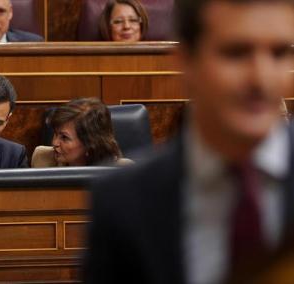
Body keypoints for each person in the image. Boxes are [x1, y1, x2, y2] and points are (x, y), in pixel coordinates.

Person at [84, 0, 294, 283]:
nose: (262, 79)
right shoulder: (123, 203)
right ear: (186, 61)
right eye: (236, 53)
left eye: (280, 53)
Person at [31, 98, 132, 167]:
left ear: (91, 143)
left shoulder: (124, 170)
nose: (54, 143)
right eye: (55, 134)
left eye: (64, 137)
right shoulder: (42, 159)